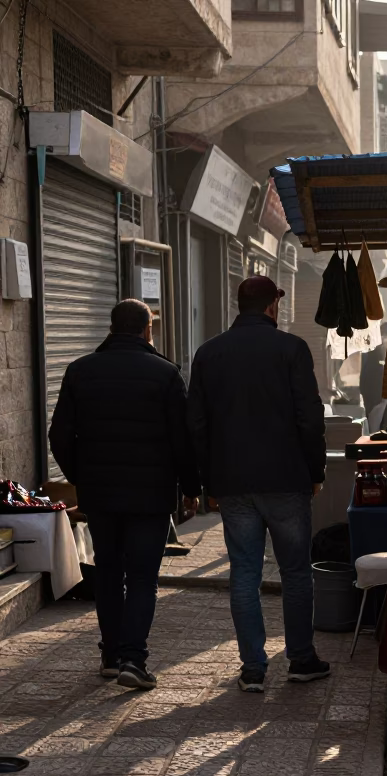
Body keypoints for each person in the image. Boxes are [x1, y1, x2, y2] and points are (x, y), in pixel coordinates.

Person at [49, 300, 200, 691]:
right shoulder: (166, 374)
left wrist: (82, 477)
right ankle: (134, 659)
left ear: (112, 328)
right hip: (151, 497)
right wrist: (191, 488)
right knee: (143, 577)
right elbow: (181, 441)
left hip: (101, 495)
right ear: (147, 330)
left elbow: (59, 436)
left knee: (109, 573)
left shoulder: (80, 371)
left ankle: (111, 656)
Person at [188, 276, 330, 693]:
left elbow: (196, 423)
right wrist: (315, 471)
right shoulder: (291, 349)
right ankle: (301, 659)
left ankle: (253, 668)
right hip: (286, 479)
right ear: (272, 307)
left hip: (233, 484)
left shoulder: (208, 353)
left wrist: (206, 479)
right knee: (296, 573)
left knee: (244, 574)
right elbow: (310, 417)